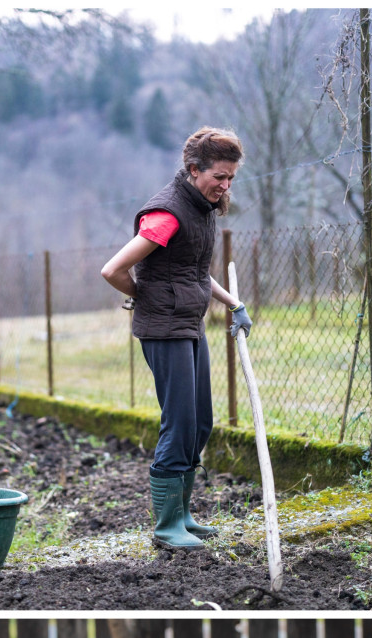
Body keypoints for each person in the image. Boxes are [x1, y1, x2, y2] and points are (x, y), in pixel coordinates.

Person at [101, 127, 252, 550]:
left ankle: (184, 514)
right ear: (193, 169)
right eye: (218, 177)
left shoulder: (200, 208)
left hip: (188, 322)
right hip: (164, 326)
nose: (224, 186)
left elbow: (192, 269)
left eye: (231, 179)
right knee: (179, 422)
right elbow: (112, 270)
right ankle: (167, 526)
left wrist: (233, 303)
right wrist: (145, 297)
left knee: (200, 421)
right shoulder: (166, 214)